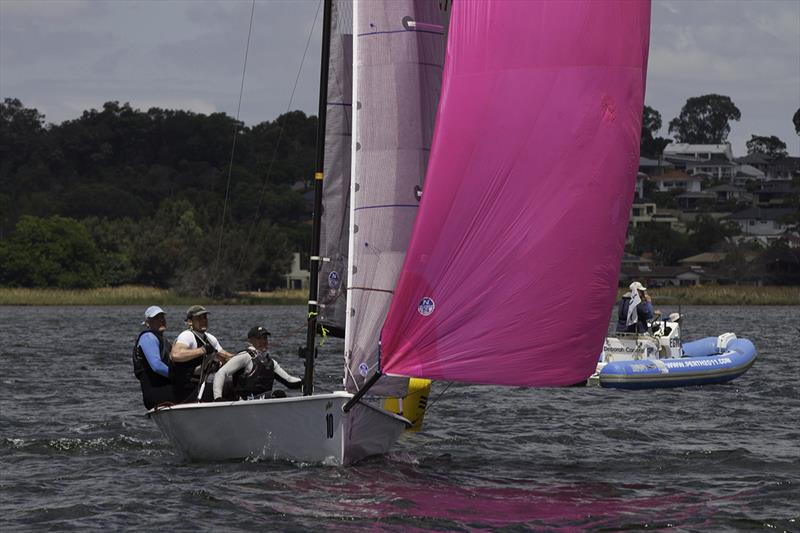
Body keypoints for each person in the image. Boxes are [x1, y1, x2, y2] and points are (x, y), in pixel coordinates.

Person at [212, 325, 302, 401]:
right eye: (259, 338)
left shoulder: (271, 363)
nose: (264, 341)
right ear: (250, 341)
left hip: (262, 403)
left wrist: (304, 382)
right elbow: (221, 373)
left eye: (265, 338)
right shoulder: (245, 357)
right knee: (277, 394)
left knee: (279, 394)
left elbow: (289, 381)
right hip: (244, 403)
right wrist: (218, 398)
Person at [170, 305, 234, 403]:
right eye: (199, 318)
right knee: (229, 387)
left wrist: (246, 357)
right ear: (190, 322)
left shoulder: (210, 339)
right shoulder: (186, 336)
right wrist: (202, 350)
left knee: (235, 383)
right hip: (185, 392)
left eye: (205, 317)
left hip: (200, 389)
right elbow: (176, 355)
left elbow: (226, 356)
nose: (203, 320)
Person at [132, 306, 175, 409]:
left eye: (162, 317)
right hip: (155, 394)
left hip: (166, 389)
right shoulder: (148, 337)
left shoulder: (165, 341)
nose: (161, 320)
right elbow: (157, 366)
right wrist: (179, 376)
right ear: (147, 323)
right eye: (156, 318)